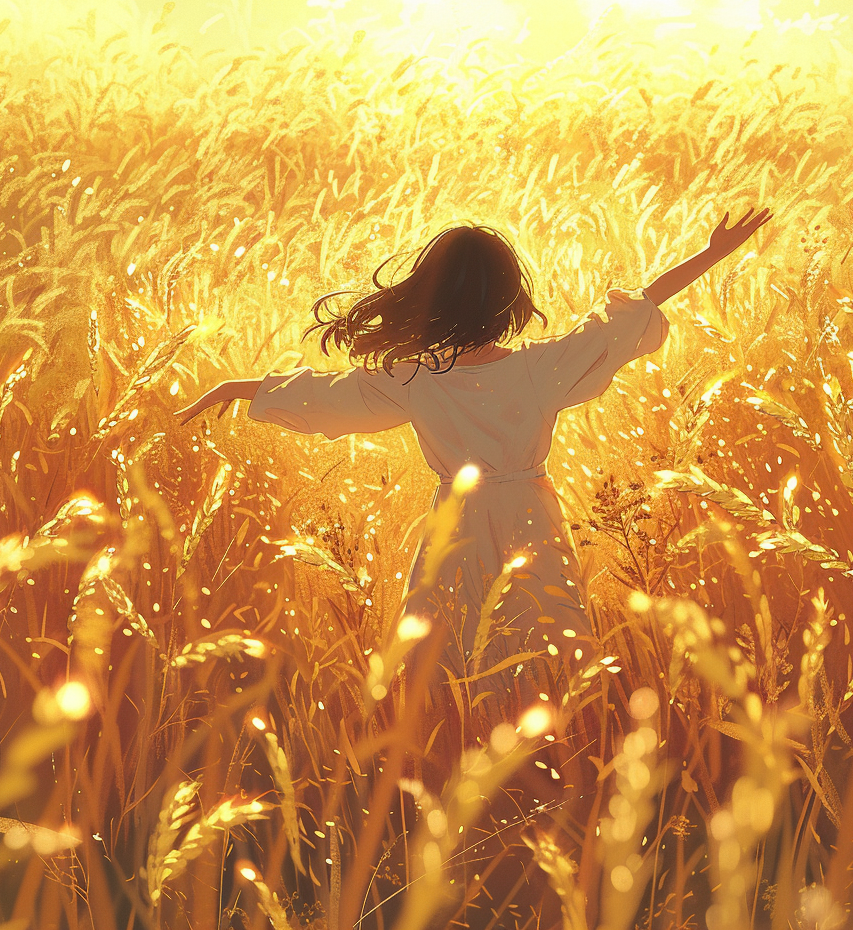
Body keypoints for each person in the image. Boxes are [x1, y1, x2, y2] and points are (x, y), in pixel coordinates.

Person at [175, 209, 771, 692]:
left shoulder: (413, 378)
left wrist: (239, 386)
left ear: (430, 298)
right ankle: (552, 748)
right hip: (529, 515)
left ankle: (457, 749)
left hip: (455, 521)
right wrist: (711, 253)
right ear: (510, 299)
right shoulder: (540, 369)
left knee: (447, 637)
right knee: (546, 630)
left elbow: (326, 395)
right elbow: (628, 312)